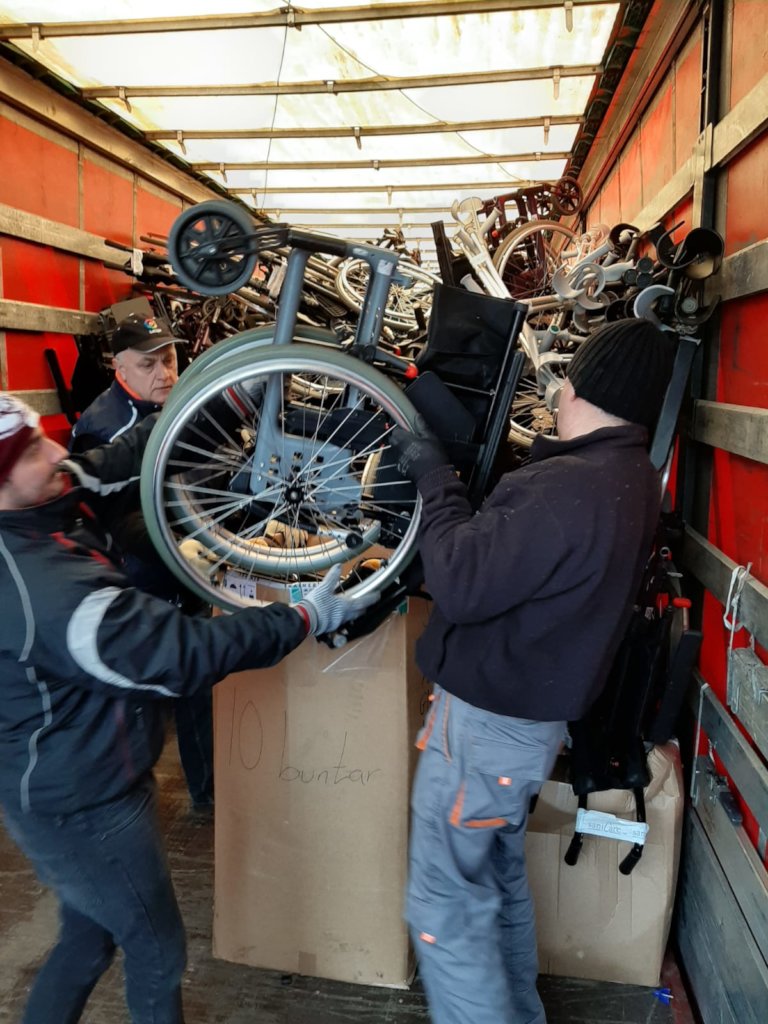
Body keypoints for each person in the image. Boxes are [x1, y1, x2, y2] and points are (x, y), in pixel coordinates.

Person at [0, 392, 375, 1024]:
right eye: (35, 450)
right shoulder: (48, 594)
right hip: (84, 805)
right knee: (157, 952)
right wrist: (302, 616)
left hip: (78, 777)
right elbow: (182, 656)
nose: (59, 453)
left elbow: (130, 452)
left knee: (87, 939)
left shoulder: (41, 508)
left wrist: (231, 390)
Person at [389, 318, 677, 1024]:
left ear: (585, 386)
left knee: (445, 909)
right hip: (525, 733)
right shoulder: (632, 477)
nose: (557, 387)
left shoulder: (566, 488)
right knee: (497, 887)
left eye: (568, 374)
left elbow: (457, 580)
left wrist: (434, 475)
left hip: (484, 732)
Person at [70, 312, 215, 809]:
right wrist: (178, 549)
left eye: (170, 359)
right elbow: (115, 521)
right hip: (138, 581)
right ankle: (118, 804)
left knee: (199, 685)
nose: (165, 373)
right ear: (120, 368)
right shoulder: (102, 427)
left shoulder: (179, 404)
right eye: (148, 364)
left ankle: (210, 798)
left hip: (189, 566)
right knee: (142, 703)